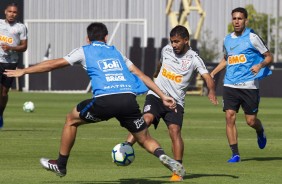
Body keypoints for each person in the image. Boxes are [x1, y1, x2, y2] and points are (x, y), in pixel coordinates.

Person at [4, 22, 186, 180]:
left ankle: (61, 164)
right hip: (128, 100)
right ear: (106, 37)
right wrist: (163, 96)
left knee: (70, 120)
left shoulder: (84, 50)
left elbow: (54, 64)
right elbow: (141, 75)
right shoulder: (117, 53)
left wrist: (25, 71)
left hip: (105, 101)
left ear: (87, 38)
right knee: (144, 138)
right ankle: (164, 157)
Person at [125, 25, 218, 181]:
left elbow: (207, 77)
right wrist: (156, 72)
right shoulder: (166, 50)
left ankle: (177, 169)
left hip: (176, 101)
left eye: (177, 42)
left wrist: (212, 91)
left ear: (186, 40)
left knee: (174, 131)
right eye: (172, 41)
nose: (174, 45)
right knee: (146, 118)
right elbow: (161, 63)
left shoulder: (194, 58)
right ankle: (125, 146)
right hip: (156, 95)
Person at [210, 7, 273, 163]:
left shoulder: (252, 37)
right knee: (229, 117)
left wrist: (260, 66)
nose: (236, 21)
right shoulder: (227, 39)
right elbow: (226, 59)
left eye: (240, 19)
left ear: (246, 20)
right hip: (230, 85)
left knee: (251, 121)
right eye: (234, 18)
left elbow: (269, 56)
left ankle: (260, 130)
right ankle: (235, 154)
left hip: (249, 86)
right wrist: (213, 73)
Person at [0, 2, 28, 128]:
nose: (12, 14)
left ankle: (0, 114)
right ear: (5, 12)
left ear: (17, 14)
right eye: (10, 11)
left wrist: (11, 48)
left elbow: (24, 47)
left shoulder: (21, 27)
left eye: (14, 12)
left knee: (4, 93)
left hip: (10, 63)